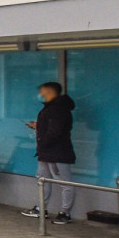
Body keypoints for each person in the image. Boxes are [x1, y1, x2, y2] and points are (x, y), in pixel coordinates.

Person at [22, 81, 76, 224]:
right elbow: (51, 127)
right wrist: (38, 126)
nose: (40, 94)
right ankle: (41, 208)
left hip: (57, 152)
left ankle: (65, 213)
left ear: (50, 92)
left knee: (64, 182)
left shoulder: (58, 109)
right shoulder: (51, 108)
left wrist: (44, 141)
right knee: (42, 179)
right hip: (46, 152)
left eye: (43, 91)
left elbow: (55, 131)